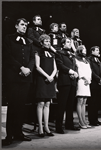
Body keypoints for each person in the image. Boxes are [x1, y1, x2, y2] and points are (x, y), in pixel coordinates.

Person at [2, 18, 35, 146]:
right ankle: (9, 135)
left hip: (26, 77)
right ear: (16, 26)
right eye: (22, 25)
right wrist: (20, 68)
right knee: (13, 106)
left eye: (26, 25)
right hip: (14, 77)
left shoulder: (29, 41)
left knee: (21, 107)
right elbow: (7, 56)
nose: (24, 27)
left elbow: (32, 58)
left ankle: (19, 133)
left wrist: (28, 70)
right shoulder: (9, 38)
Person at [55, 37, 80, 134]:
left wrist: (75, 73)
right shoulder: (59, 53)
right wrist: (71, 71)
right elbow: (60, 65)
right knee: (62, 104)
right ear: (63, 43)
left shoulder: (72, 55)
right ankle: (58, 126)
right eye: (68, 42)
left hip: (72, 81)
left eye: (71, 42)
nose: (70, 44)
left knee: (70, 105)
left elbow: (75, 66)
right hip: (64, 81)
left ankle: (69, 124)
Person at [35, 34, 57, 137]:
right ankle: (40, 128)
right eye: (46, 41)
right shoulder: (38, 52)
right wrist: (47, 76)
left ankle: (47, 127)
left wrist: (51, 76)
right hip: (42, 79)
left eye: (49, 41)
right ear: (42, 42)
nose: (48, 43)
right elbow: (37, 66)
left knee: (48, 103)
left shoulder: (52, 53)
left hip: (50, 79)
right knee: (41, 103)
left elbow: (55, 68)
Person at [87, 46, 101, 126]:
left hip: (99, 83)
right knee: (92, 102)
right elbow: (91, 71)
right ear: (92, 51)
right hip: (94, 83)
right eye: (97, 50)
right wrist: (98, 79)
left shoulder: (98, 60)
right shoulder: (89, 59)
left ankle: (96, 119)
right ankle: (92, 120)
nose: (98, 51)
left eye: (98, 50)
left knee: (97, 102)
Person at [75, 45, 92, 129]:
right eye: (83, 49)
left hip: (87, 81)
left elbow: (89, 71)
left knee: (84, 101)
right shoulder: (76, 59)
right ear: (80, 50)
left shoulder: (86, 60)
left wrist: (89, 79)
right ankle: (80, 121)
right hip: (81, 80)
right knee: (80, 100)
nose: (85, 50)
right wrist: (84, 78)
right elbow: (79, 70)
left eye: (85, 48)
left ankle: (84, 121)